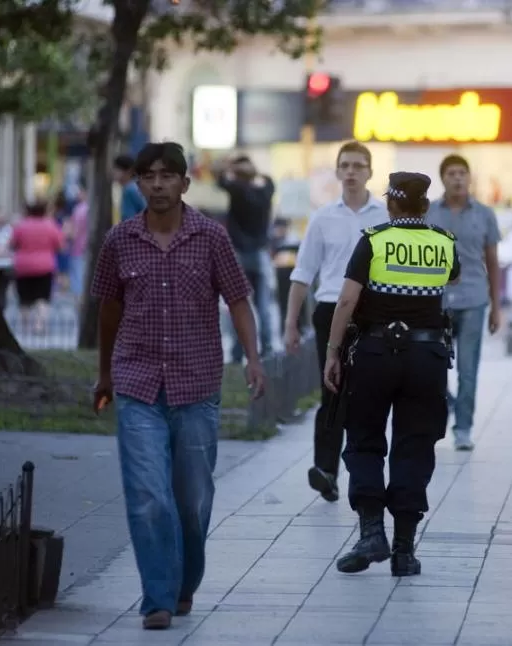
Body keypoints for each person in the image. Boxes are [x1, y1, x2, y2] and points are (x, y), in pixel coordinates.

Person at [91, 142, 266, 631]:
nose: (159, 184)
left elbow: (237, 300)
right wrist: (105, 374)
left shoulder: (211, 237)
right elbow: (108, 310)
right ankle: (158, 597)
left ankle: (185, 581)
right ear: (138, 184)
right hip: (137, 383)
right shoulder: (119, 241)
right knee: (149, 495)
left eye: (169, 176)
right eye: (149, 176)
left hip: (196, 386)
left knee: (192, 500)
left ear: (185, 184)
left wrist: (252, 359)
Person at [322, 172, 460, 577]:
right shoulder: (444, 242)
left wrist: (332, 352)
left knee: (364, 439)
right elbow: (454, 276)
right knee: (415, 446)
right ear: (426, 205)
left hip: (375, 353)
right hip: (427, 356)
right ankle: (404, 549)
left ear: (391, 204)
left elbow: (347, 299)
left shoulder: (374, 239)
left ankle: (371, 533)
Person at [284, 141, 389, 502]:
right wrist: (290, 325)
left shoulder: (384, 217)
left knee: (366, 397)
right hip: (330, 310)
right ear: (337, 171)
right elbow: (303, 274)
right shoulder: (323, 217)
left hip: (371, 314)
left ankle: (363, 472)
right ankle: (326, 469)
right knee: (331, 391)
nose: (351, 171)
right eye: (345, 165)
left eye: (358, 165)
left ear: (370, 172)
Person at [426, 154, 502, 450]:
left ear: (469, 178)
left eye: (462, 173)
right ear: (443, 179)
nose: (457, 178)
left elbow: (493, 261)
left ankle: (463, 428)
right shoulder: (429, 213)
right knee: (433, 369)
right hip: (437, 301)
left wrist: (496, 306)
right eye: (451, 173)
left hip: (473, 299)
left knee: (468, 369)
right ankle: (451, 407)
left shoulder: (484, 214)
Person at [216, 154, 276, 362]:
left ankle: (237, 351)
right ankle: (267, 346)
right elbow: (269, 180)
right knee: (263, 304)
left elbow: (221, 179)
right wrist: (253, 170)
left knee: (237, 303)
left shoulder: (237, 190)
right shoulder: (266, 191)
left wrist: (230, 167)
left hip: (238, 254)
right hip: (260, 254)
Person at [10, 202, 64, 334]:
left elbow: (12, 244)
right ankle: (39, 326)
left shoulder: (21, 226)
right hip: (45, 266)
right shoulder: (50, 226)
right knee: (43, 297)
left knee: (25, 298)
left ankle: (26, 326)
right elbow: (60, 245)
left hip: (23, 267)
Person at [113, 154, 148, 223]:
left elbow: (128, 220)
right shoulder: (136, 186)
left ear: (128, 171)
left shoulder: (129, 190)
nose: (114, 173)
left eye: (117, 169)